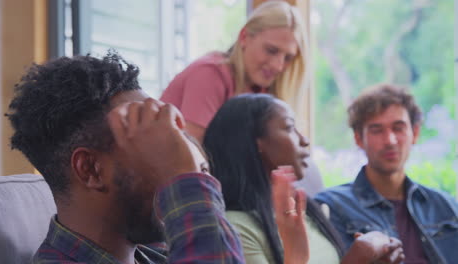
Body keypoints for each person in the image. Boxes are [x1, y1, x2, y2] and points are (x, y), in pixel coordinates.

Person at [6, 52, 244, 264]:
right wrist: (184, 178)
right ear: (91, 169)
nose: (178, 157)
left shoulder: (156, 254)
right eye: (152, 145)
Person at [203, 93, 405, 264]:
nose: (304, 140)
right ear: (256, 143)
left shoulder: (306, 213)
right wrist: (358, 257)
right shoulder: (235, 228)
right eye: (290, 127)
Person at [315, 83, 458, 264]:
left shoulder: (447, 207)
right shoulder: (331, 207)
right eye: (377, 130)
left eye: (398, 128)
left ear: (414, 133)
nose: (390, 141)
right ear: (359, 139)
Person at [161, 0, 309, 142]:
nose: (278, 66)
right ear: (244, 37)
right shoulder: (209, 75)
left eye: (288, 57)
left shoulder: (262, 90)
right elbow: (192, 160)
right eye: (271, 50)